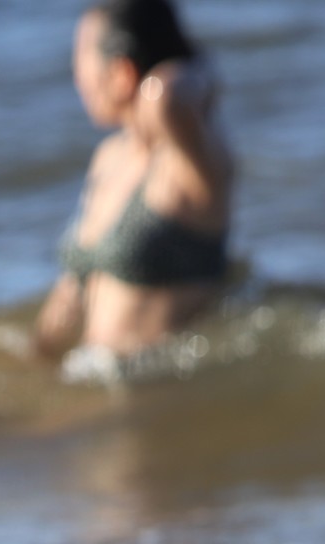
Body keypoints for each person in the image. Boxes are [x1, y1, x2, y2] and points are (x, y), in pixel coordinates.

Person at [34, 0, 234, 360]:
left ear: (122, 73)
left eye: (81, 59)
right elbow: (69, 291)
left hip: (155, 391)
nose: (76, 76)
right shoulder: (108, 158)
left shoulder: (191, 167)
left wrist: (200, 70)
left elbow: (169, 98)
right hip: (89, 375)